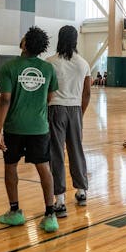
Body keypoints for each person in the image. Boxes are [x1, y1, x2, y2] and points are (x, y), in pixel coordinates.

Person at [0, 27, 60, 232]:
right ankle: (50, 215)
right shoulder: (48, 69)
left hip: (14, 127)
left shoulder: (9, 67)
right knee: (44, 168)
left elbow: (5, 99)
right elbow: (50, 97)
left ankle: (15, 212)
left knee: (11, 166)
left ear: (25, 43)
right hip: (39, 128)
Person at [45, 26, 91, 217]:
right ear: (76, 40)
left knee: (56, 153)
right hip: (75, 109)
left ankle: (60, 200)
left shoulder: (50, 62)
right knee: (76, 150)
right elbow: (87, 93)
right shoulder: (83, 63)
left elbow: (47, 92)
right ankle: (81, 192)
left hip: (55, 108)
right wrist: (80, 113)